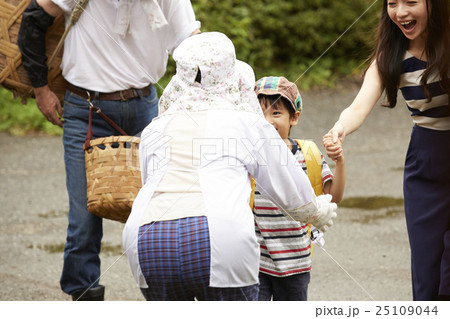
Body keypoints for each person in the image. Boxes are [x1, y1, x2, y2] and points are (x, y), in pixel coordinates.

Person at [122, 32, 338, 301]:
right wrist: (315, 212)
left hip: (147, 239)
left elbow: (148, 183)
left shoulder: (154, 129)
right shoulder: (245, 122)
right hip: (219, 238)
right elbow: (286, 183)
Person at [18, 0, 200, 300]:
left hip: (146, 110)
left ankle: (166, 298)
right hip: (86, 110)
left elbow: (192, 47)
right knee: (84, 223)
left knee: (159, 213)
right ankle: (85, 296)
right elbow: (34, 20)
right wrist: (41, 89)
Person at [323, 0, 449, 301]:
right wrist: (339, 129)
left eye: (411, 2)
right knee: (427, 270)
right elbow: (358, 106)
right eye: (392, 3)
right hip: (426, 166)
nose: (401, 12)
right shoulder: (389, 57)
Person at [253, 76, 345, 301]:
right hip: (256, 262)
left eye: (276, 113)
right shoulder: (249, 157)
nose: (267, 121)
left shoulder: (308, 155)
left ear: (294, 117)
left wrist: (340, 162)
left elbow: (334, 196)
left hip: (296, 263)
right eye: (259, 114)